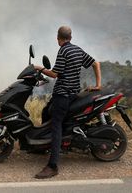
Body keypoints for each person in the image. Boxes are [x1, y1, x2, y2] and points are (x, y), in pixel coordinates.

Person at [34, 26, 101, 179]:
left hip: (63, 95)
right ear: (70, 37)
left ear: (58, 38)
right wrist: (98, 85)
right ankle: (43, 145)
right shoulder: (77, 50)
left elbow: (54, 74)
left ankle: (52, 166)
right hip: (73, 94)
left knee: (56, 126)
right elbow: (96, 64)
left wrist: (39, 68)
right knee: (46, 111)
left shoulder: (63, 51)